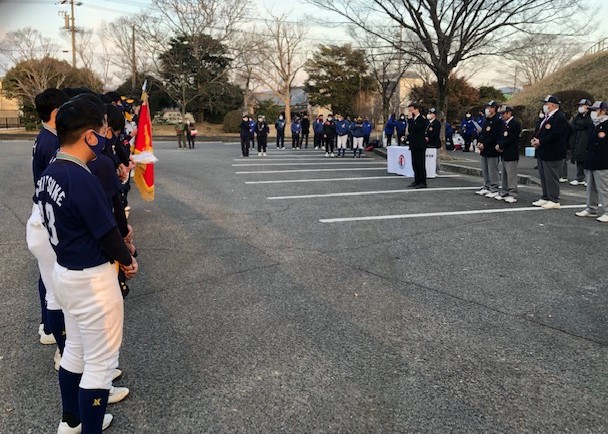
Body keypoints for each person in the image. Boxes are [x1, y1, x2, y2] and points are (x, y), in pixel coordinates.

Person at [37, 97, 138, 433]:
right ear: (89, 136)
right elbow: (108, 233)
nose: (104, 137)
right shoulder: (80, 178)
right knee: (99, 365)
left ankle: (71, 421)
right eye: (100, 131)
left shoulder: (52, 169)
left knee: (76, 354)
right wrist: (127, 261)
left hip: (65, 272)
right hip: (91, 279)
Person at [27, 88, 68, 355]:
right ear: (56, 114)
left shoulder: (46, 137)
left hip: (41, 213)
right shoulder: (52, 144)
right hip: (48, 216)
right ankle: (59, 343)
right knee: (56, 288)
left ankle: (48, 327)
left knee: (48, 279)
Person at [531, 95, 569, 209]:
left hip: (553, 152)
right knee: (544, 176)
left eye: (546, 104)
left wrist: (541, 141)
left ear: (552, 105)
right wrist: (535, 139)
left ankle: (554, 199)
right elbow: (540, 131)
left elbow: (555, 135)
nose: (544, 106)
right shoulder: (546, 117)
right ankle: (545, 196)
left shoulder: (559, 118)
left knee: (551, 176)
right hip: (544, 151)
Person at [575, 101, 608, 222]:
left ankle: (607, 211)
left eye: (595, 110)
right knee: (591, 187)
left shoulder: (606, 124)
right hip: (591, 159)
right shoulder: (594, 124)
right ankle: (591, 208)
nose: (593, 113)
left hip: (603, 161)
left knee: (604, 188)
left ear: (603, 111)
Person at [475, 101, 503, 198]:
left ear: (494, 108)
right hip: (484, 149)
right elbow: (482, 133)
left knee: (492, 170)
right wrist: (479, 142)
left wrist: (484, 144)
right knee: (485, 169)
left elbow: (494, 136)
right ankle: (486, 186)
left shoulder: (498, 121)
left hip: (492, 149)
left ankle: (494, 187)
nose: (487, 109)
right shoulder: (486, 120)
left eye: (490, 107)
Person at [495, 106, 521, 203]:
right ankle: (504, 191)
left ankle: (512, 193)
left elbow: (511, 138)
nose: (502, 116)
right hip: (504, 152)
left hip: (511, 151)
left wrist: (501, 145)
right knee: (504, 174)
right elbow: (501, 137)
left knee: (511, 174)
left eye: (504, 113)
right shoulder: (504, 124)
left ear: (509, 113)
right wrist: (499, 145)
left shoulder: (515, 124)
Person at [569, 99, 594, 186]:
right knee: (579, 158)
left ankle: (588, 179)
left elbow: (586, 124)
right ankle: (579, 177)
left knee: (586, 159)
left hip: (586, 139)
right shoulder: (577, 116)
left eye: (582, 105)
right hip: (577, 138)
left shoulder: (591, 116)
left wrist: (579, 124)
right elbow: (573, 125)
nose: (580, 107)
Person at [407, 103, 428, 188]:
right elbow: (410, 129)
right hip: (413, 145)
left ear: (416, 110)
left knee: (420, 164)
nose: (410, 112)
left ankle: (422, 182)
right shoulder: (413, 120)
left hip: (420, 145)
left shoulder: (421, 119)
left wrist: (410, 120)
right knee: (414, 164)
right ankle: (417, 180)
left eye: (411, 110)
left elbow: (416, 128)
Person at [425, 108, 441, 173]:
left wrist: (429, 137)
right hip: (427, 143)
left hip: (435, 143)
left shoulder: (436, 123)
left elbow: (435, 133)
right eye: (429, 113)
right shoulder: (427, 123)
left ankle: (437, 169)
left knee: (436, 157)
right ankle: (429, 169)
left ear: (434, 115)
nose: (429, 115)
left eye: (430, 114)